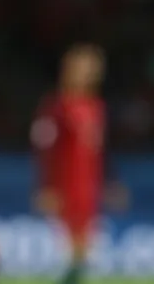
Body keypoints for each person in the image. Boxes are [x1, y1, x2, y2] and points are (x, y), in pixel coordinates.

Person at [31, 43, 127, 284]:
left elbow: (101, 152)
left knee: (86, 256)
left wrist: (110, 182)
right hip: (65, 188)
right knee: (68, 254)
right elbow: (46, 151)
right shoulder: (56, 107)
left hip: (88, 190)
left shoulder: (96, 108)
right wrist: (46, 186)